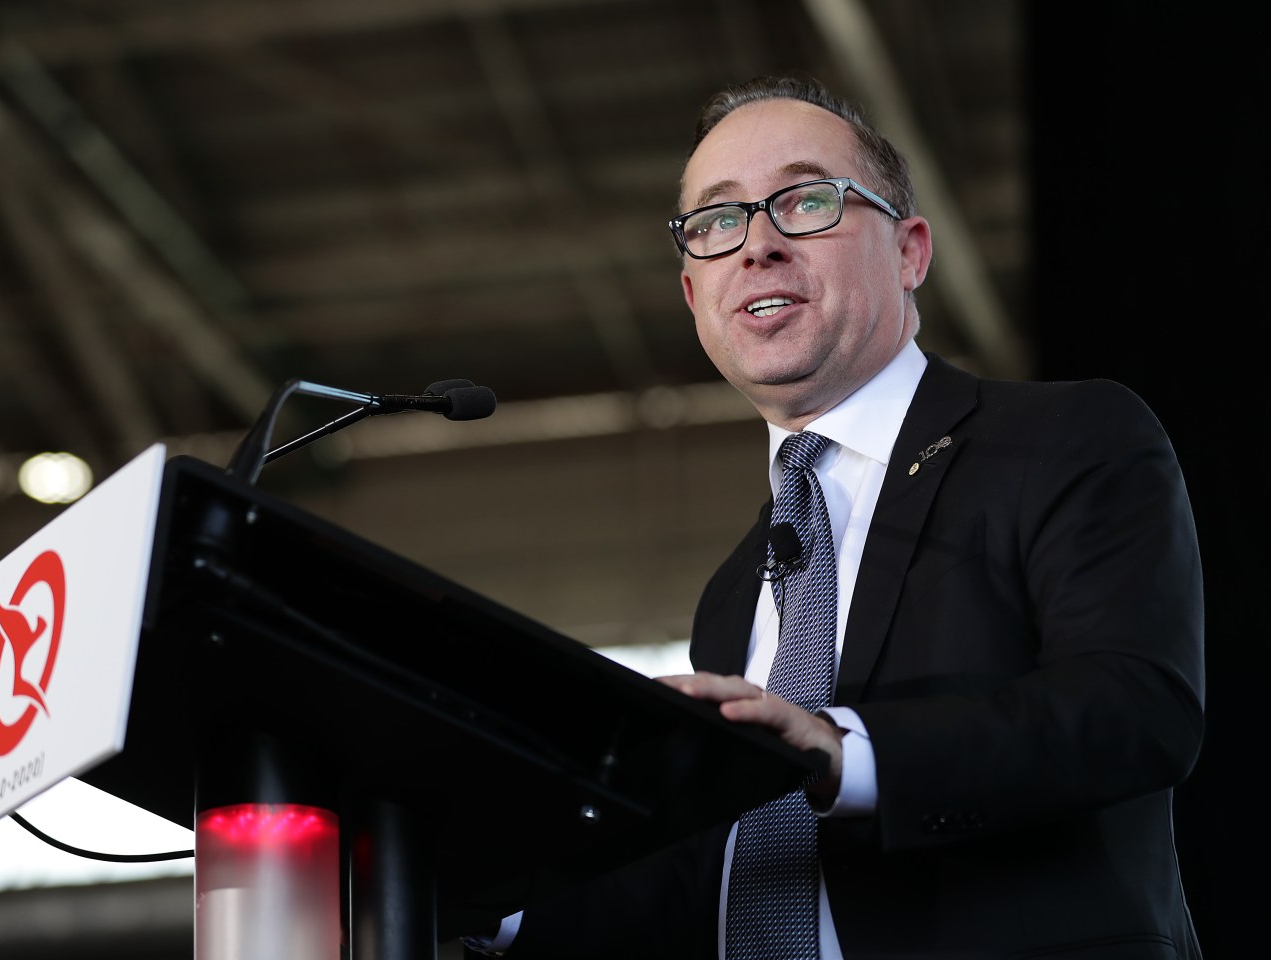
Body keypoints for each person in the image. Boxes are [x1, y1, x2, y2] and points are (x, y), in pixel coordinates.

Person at [464, 74, 1205, 959]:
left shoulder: (1065, 439)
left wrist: (841, 752)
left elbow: (1134, 710)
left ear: (911, 252)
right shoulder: (732, 590)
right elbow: (713, 876)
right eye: (717, 220)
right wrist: (480, 893)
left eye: (807, 201)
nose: (757, 245)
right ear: (694, 296)